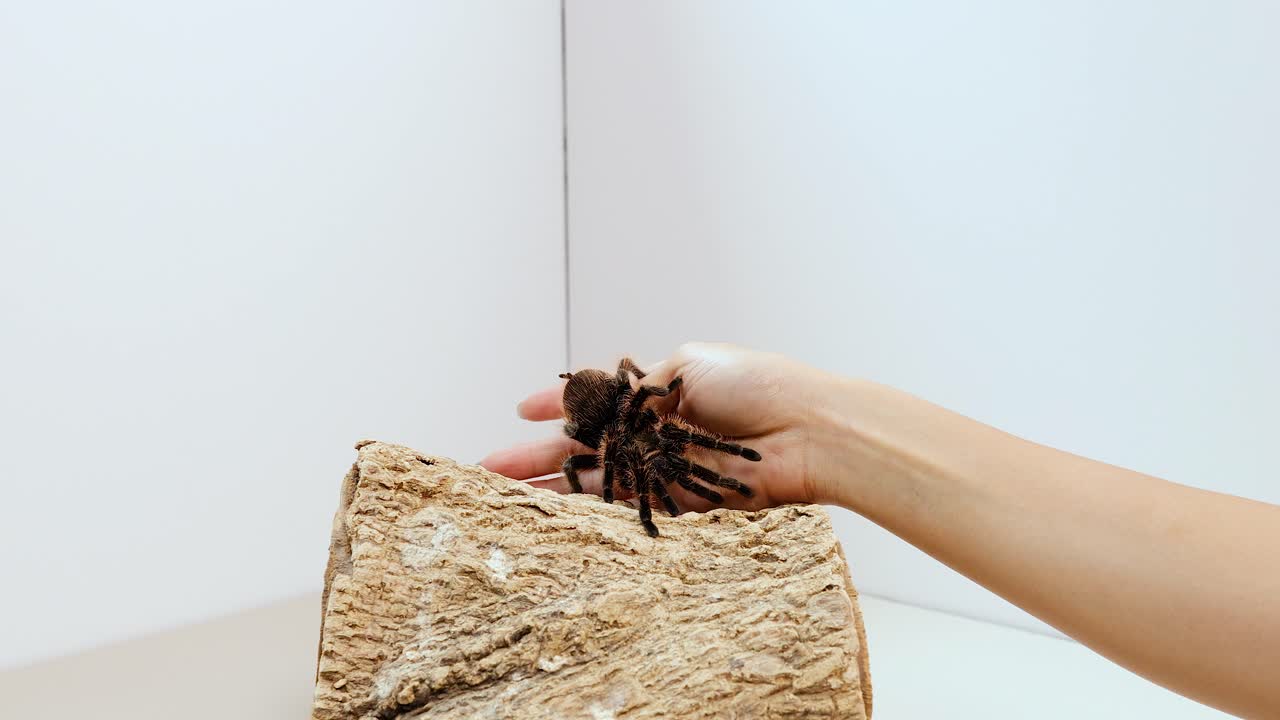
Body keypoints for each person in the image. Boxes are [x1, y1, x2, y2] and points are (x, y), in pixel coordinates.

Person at [481, 342, 1280, 719]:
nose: (649, 450)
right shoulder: (620, 425)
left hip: (622, 403)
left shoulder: (645, 414)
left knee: (696, 459)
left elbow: (656, 405)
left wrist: (815, 435)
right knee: (687, 465)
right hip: (610, 405)